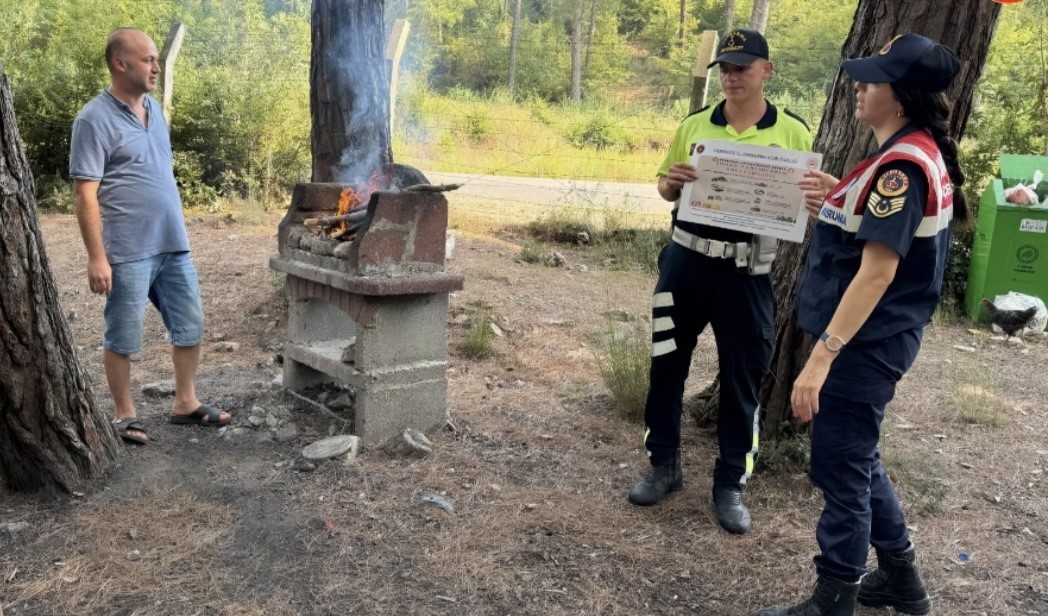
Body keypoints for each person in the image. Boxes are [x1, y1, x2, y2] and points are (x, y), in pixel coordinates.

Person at [758, 33, 965, 615]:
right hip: (878, 340)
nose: (859, 85)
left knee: (840, 469)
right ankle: (904, 582)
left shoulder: (901, 167)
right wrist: (835, 197)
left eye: (872, 80)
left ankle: (834, 597)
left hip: (863, 345)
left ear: (899, 96)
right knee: (861, 459)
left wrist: (820, 359)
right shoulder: (907, 152)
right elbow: (870, 228)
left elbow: (876, 273)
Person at [627, 28, 812, 535]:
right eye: (725, 68)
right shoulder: (694, 125)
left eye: (742, 67)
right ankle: (663, 464)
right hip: (685, 262)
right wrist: (671, 183)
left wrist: (814, 200)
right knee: (666, 366)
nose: (731, 77)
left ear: (766, 71)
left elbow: (800, 204)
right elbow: (665, 187)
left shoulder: (793, 133)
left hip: (747, 273)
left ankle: (730, 483)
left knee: (742, 378)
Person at [69, 28, 231, 445]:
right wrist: (96, 257)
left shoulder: (155, 110)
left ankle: (185, 403)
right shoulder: (92, 119)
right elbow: (85, 194)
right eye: (148, 60)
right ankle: (125, 414)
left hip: (172, 242)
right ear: (120, 64)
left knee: (190, 323)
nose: (156, 66)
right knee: (123, 334)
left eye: (158, 59)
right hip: (126, 250)